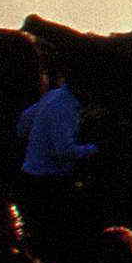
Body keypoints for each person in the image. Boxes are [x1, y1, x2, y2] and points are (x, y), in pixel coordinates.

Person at [14, 60, 96, 248]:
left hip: (32, 176)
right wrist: (95, 149)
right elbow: (64, 151)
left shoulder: (53, 96)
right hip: (51, 182)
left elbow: (23, 123)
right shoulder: (66, 108)